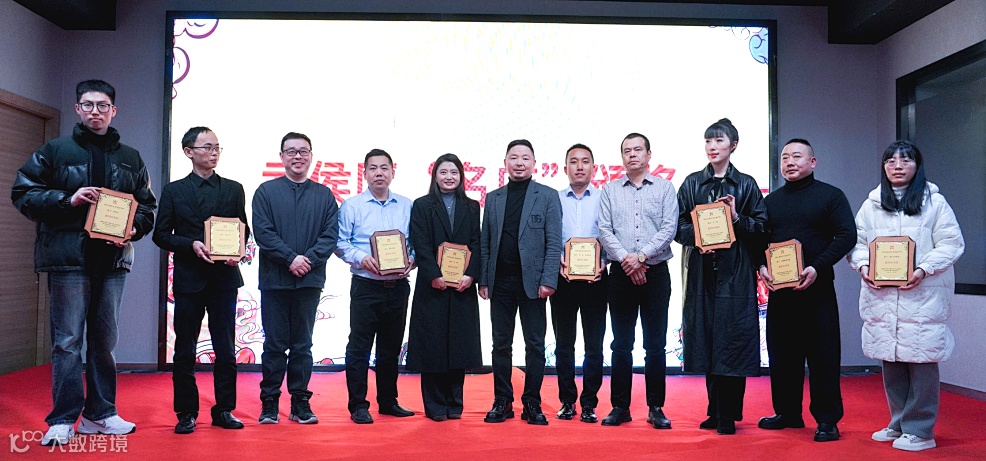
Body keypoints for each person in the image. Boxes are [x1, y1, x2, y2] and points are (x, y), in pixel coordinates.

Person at [11, 80, 156, 446]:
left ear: (113, 111)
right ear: (78, 109)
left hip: (112, 261)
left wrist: (134, 228)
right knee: (67, 342)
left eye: (102, 105)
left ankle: (100, 414)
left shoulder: (131, 157)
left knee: (105, 342)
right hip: (68, 260)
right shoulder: (55, 151)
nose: (95, 111)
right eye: (88, 105)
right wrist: (67, 199)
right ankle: (62, 419)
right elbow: (23, 193)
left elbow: (146, 206)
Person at [848, 140, 964, 452]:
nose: (897, 166)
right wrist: (864, 266)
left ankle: (921, 430)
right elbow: (856, 243)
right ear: (884, 166)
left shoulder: (935, 203)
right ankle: (899, 422)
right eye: (891, 160)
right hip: (882, 296)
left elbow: (952, 243)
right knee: (892, 360)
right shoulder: (872, 204)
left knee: (922, 361)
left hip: (923, 296)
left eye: (906, 160)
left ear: (917, 165)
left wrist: (924, 269)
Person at [756, 139, 856, 442]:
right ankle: (787, 413)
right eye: (785, 157)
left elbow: (847, 235)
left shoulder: (831, 196)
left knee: (823, 356)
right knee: (782, 355)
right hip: (782, 293)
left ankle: (827, 420)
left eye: (797, 156)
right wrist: (761, 267)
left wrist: (818, 266)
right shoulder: (771, 202)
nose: (789, 162)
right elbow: (758, 240)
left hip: (818, 290)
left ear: (813, 162)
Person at [152, 127, 248, 434]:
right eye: (207, 147)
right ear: (188, 151)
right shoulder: (174, 191)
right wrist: (190, 244)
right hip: (189, 279)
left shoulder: (233, 189)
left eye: (217, 147)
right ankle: (186, 412)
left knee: (226, 348)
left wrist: (237, 251)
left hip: (224, 279)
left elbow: (243, 229)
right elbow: (161, 234)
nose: (213, 152)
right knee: (184, 348)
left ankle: (224, 409)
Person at [675, 118, 766, 435]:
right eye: (708, 141)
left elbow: (761, 229)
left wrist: (737, 216)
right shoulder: (691, 183)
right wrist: (698, 239)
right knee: (707, 339)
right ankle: (714, 410)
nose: (712, 147)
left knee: (733, 341)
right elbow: (678, 227)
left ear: (733, 145)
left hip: (735, 272)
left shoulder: (747, 184)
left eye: (719, 141)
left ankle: (728, 414)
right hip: (702, 271)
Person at [253, 132, 338, 425]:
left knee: (303, 345)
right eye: (291, 151)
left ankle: (300, 402)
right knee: (274, 344)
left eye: (303, 151)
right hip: (275, 281)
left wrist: (308, 260)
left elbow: (330, 235)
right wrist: (290, 258)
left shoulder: (324, 195)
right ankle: (269, 402)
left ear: (311, 156)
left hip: (309, 282)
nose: (297, 156)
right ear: (281, 157)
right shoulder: (266, 192)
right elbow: (263, 232)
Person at [479, 139, 562, 426]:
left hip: (534, 283)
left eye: (525, 158)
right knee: (500, 344)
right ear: (505, 163)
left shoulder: (547, 196)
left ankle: (532, 402)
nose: (519, 163)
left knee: (535, 345)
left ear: (534, 163)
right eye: (513, 157)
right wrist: (484, 279)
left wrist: (549, 279)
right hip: (500, 281)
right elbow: (486, 242)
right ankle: (502, 400)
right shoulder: (493, 198)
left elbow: (554, 243)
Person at [597, 133, 678, 429]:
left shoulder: (665, 188)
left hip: (655, 274)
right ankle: (620, 406)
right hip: (620, 275)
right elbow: (604, 229)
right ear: (622, 157)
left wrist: (641, 257)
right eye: (627, 151)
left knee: (655, 344)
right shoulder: (609, 190)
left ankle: (656, 407)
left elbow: (669, 228)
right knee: (621, 344)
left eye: (637, 150)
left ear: (648, 155)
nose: (632, 155)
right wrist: (627, 261)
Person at [336, 149, 416, 424]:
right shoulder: (352, 206)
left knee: (390, 347)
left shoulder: (407, 205)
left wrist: (413, 260)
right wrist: (361, 258)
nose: (379, 173)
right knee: (359, 347)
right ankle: (358, 404)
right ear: (365, 173)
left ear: (393, 172)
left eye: (384, 168)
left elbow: (416, 243)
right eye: (373, 168)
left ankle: (388, 401)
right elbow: (340, 242)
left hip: (398, 286)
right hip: (366, 286)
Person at [406, 154, 483, 422]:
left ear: (461, 176)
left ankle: (454, 403)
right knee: (433, 346)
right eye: (443, 172)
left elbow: (477, 243)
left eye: (454, 172)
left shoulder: (472, 207)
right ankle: (435, 405)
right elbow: (420, 243)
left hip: (462, 286)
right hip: (432, 287)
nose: (449, 177)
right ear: (435, 176)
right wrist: (433, 274)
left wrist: (471, 275)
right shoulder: (422, 205)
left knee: (458, 345)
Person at [551, 144, 608, 423]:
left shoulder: (604, 198)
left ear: (593, 168)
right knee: (564, 344)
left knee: (594, 345)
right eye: (573, 162)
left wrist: (605, 261)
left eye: (585, 161)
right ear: (565, 169)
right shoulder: (554, 199)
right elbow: (549, 236)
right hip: (562, 278)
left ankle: (589, 403)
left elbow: (611, 233)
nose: (580, 167)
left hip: (596, 279)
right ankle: (567, 401)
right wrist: (556, 261)